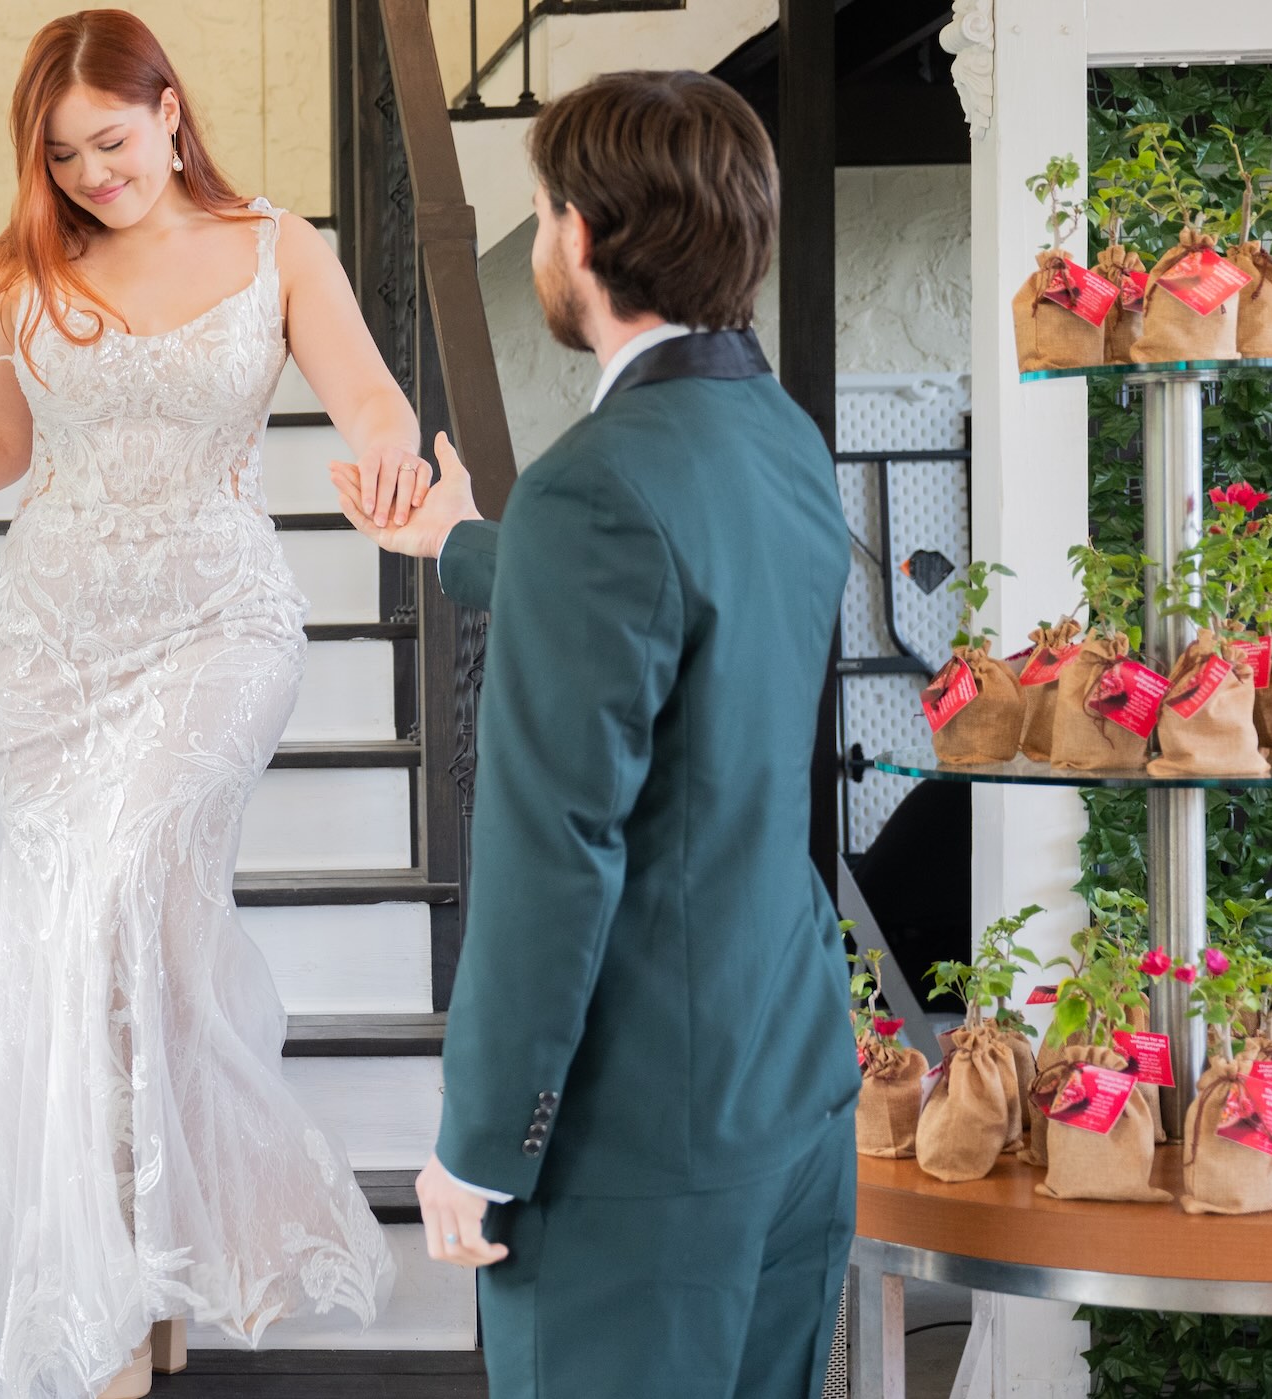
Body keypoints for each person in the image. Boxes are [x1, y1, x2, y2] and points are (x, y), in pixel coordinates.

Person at [0, 11, 421, 1397]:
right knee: (110, 953)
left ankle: (120, 1299)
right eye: (63, 156)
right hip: (52, 645)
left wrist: (383, 464)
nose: (90, 175)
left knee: (122, 901)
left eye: (110, 142)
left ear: (172, 112)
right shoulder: (29, 266)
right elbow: (0, 446)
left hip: (220, 627)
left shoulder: (276, 246)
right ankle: (133, 1282)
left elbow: (367, 400)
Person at [331, 70, 857, 1398]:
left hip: (640, 1145)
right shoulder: (779, 437)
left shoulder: (594, 486)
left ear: (586, 236)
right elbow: (683, 603)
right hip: (790, 1091)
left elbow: (553, 852)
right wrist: (464, 544)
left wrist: (483, 1142)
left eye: (546, 210)